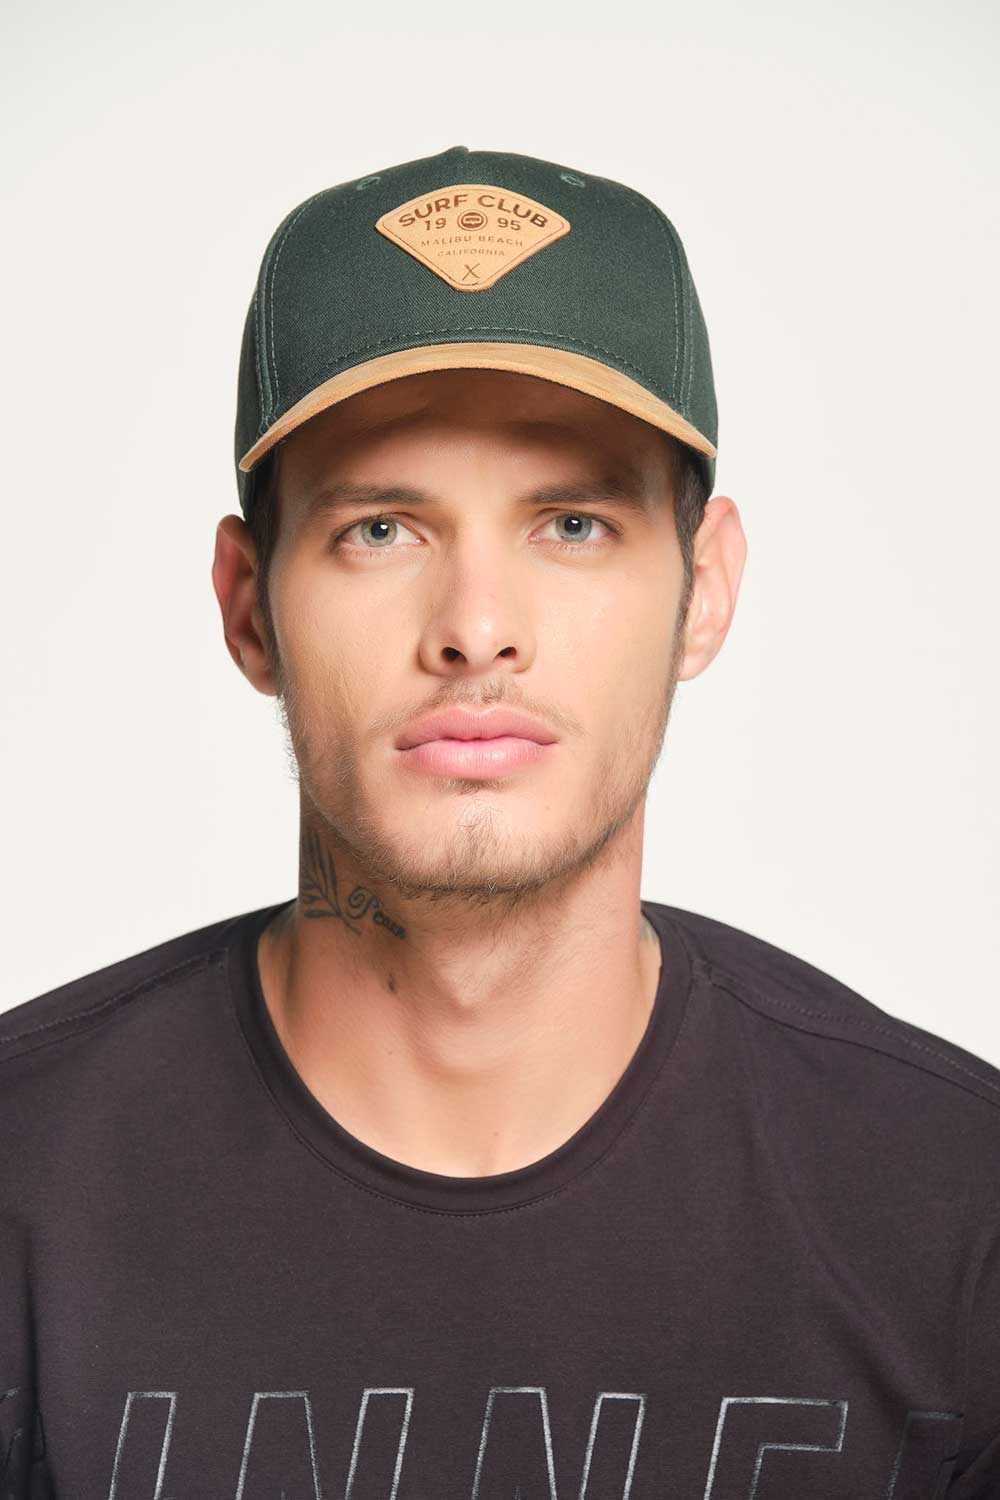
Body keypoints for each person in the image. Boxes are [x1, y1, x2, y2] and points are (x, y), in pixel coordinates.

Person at [1, 145, 997, 1497]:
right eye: (381, 530)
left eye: (572, 524)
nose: (476, 629)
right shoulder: (25, 1189)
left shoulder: (954, 1218)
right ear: (248, 607)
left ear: (704, 591)